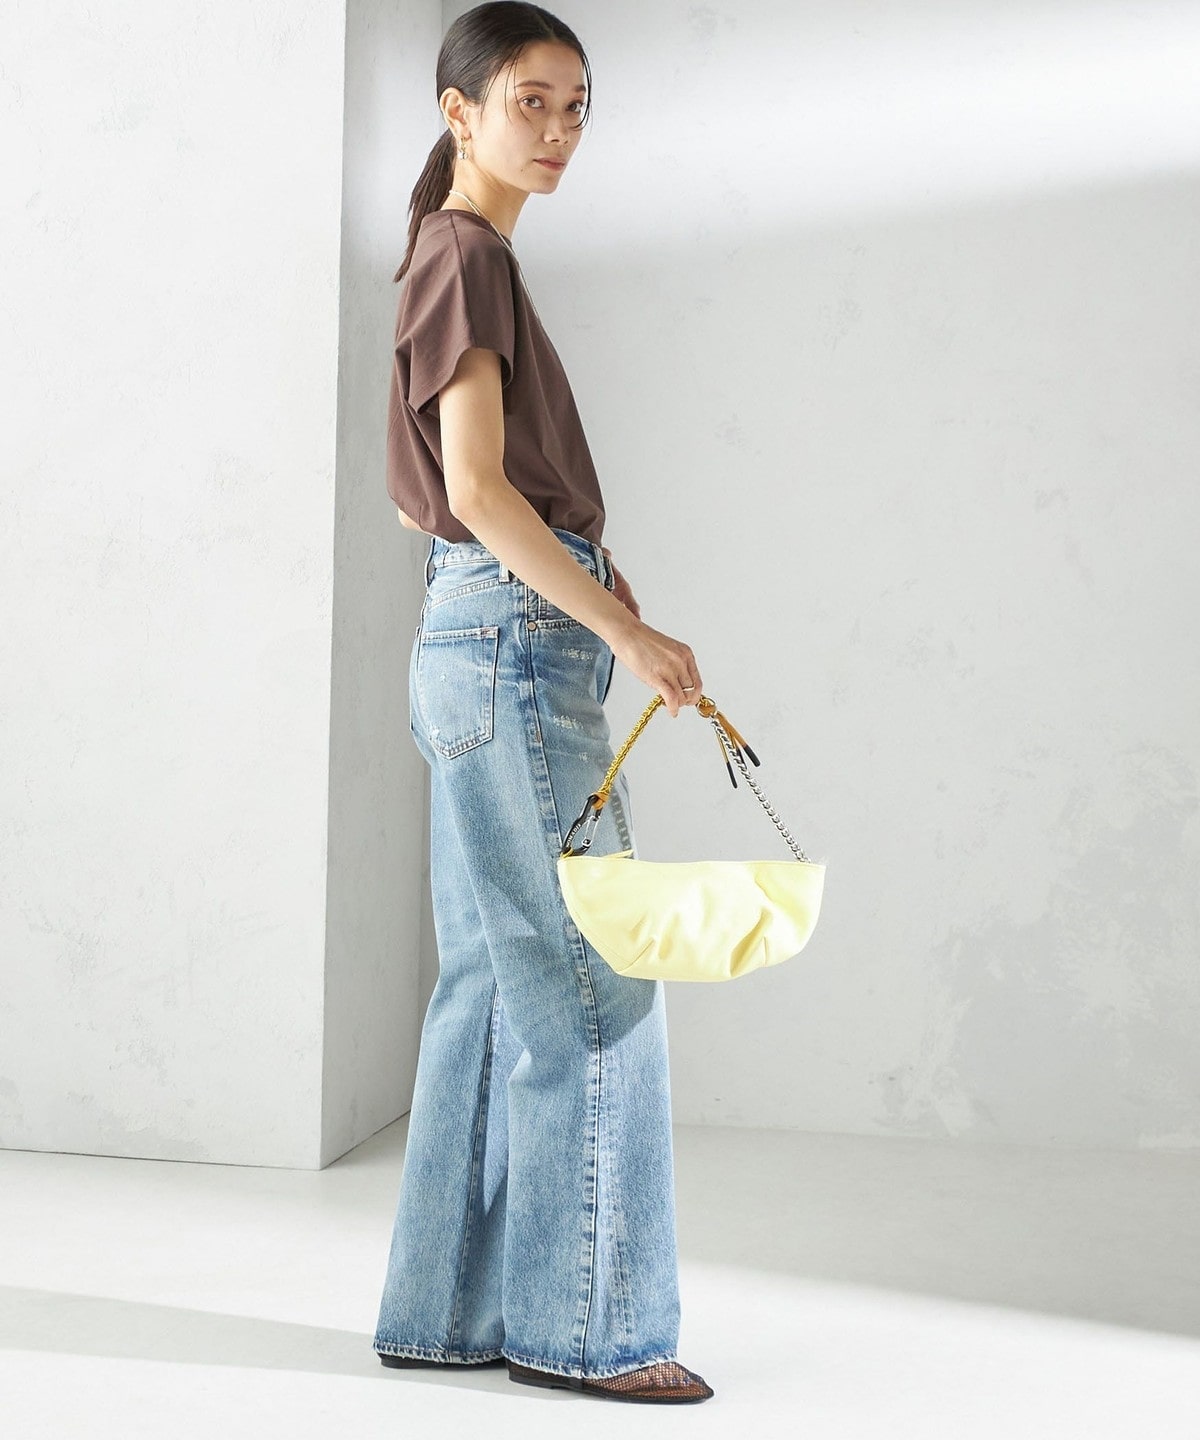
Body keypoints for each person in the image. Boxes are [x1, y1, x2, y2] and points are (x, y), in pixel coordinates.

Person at [371, 1, 712, 1406]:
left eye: (578, 107)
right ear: (459, 110)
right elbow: (470, 489)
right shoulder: (466, 256)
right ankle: (591, 1331)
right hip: (514, 646)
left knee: (491, 981)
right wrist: (619, 623)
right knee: (590, 975)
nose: (560, 130)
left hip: (475, 635)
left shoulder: (451, 254)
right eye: (531, 101)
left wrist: (584, 573)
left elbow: (435, 511)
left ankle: (444, 1313)